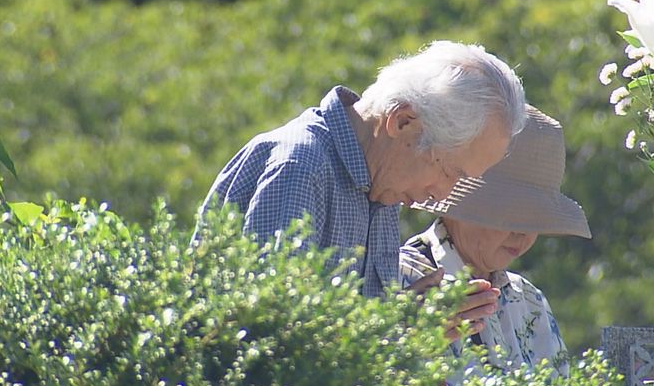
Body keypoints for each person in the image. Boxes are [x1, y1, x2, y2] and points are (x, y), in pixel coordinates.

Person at [199, 41, 527, 308]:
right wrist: (401, 331)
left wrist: (409, 325)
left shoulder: (379, 184)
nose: (442, 194)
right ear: (402, 123)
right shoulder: (301, 168)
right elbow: (274, 342)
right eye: (450, 172)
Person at [401, 105, 592, 378]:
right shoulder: (400, 276)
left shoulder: (529, 300)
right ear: (461, 203)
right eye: (511, 215)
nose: (523, 233)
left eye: (536, 218)